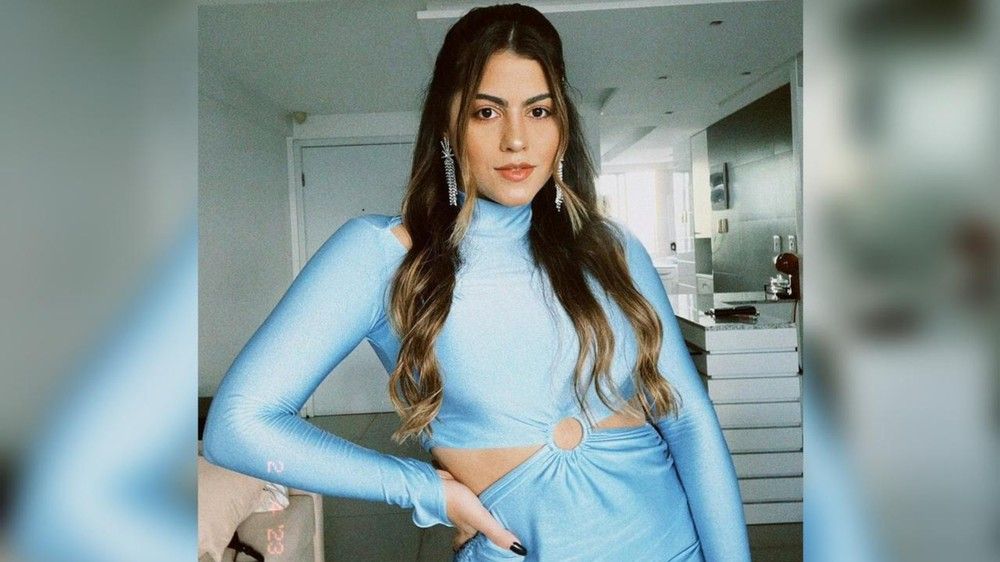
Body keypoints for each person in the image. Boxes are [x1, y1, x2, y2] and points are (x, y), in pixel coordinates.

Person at [202, 3, 750, 561]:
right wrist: (423, 489)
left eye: (539, 111)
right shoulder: (382, 255)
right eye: (487, 112)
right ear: (448, 122)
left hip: (671, 542)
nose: (517, 140)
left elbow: (689, 422)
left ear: (562, 123)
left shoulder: (612, 248)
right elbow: (237, 428)